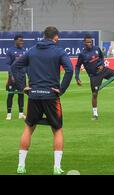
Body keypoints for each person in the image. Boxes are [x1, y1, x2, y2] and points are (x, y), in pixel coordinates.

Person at [11, 26, 74, 175]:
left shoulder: (32, 50)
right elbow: (69, 70)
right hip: (51, 96)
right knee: (57, 129)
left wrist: (22, 87)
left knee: (28, 128)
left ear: (44, 36)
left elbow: (14, 67)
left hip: (33, 95)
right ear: (56, 37)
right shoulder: (59, 51)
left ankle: (21, 166)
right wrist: (62, 89)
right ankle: (57, 167)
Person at [5, 35, 27, 120]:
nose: (22, 42)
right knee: (11, 94)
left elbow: (26, 65)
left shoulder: (25, 51)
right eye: (20, 40)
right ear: (15, 41)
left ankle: (21, 114)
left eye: (23, 40)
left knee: (21, 95)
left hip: (22, 77)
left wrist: (27, 76)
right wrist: (11, 75)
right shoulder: (10, 51)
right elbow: (8, 65)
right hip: (13, 77)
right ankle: (9, 114)